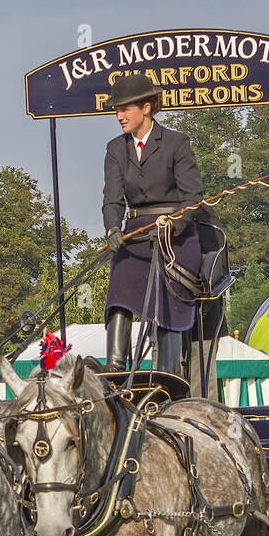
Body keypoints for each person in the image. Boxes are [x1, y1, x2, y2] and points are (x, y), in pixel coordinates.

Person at [101, 73, 204, 376]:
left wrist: (172, 226)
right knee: (120, 282)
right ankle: (116, 368)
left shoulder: (176, 143)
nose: (119, 116)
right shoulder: (115, 149)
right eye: (116, 111)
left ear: (146, 108)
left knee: (166, 293)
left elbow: (193, 197)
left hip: (176, 235)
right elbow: (112, 199)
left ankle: (166, 373)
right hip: (134, 234)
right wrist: (113, 230)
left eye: (125, 109)